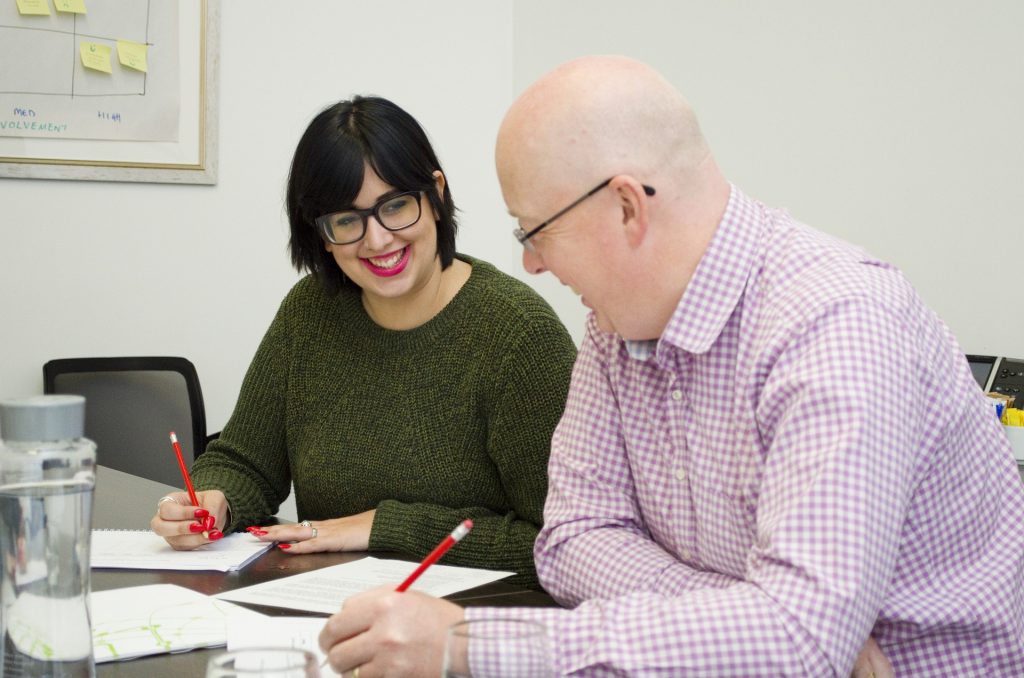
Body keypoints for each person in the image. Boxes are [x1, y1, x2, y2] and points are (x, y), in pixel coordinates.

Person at [317, 56, 1024, 676]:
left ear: (627, 205)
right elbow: (570, 541)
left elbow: (799, 646)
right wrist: (748, 620)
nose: (530, 263)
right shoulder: (614, 327)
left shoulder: (835, 322)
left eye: (534, 231)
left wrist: (471, 645)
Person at [149, 95, 576, 590]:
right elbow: (244, 461)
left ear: (435, 194)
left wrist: (384, 526)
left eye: (395, 206)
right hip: (327, 615)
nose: (376, 241)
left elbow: (566, 542)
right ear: (322, 235)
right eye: (347, 220)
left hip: (470, 631)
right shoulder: (310, 312)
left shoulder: (518, 335)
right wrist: (211, 500)